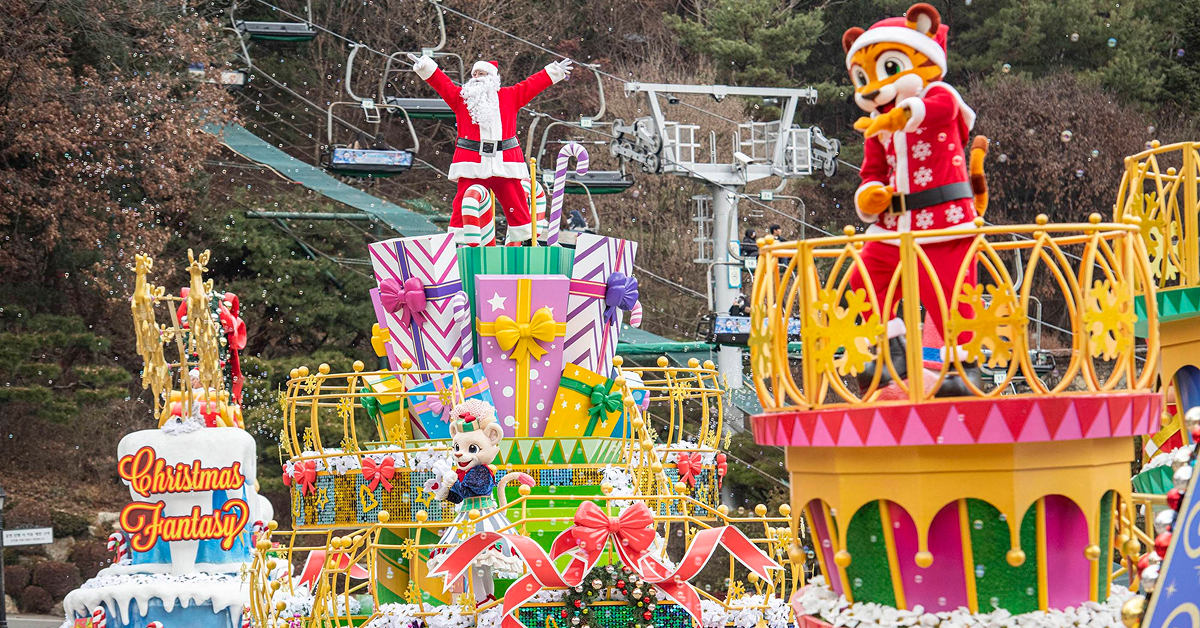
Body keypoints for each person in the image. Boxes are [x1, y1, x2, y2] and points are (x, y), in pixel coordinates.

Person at [842, 2, 990, 396]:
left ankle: (965, 367)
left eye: (888, 69)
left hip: (944, 219)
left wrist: (899, 115)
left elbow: (937, 111)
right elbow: (872, 172)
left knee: (949, 294)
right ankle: (890, 350)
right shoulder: (879, 126)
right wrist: (869, 196)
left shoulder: (939, 94)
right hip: (894, 226)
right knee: (862, 280)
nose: (872, 86)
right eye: (863, 77)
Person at [408, 53, 574, 245]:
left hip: (504, 162)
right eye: (475, 73)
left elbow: (532, 84)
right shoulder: (462, 99)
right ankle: (458, 240)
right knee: (463, 200)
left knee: (515, 199)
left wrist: (554, 71)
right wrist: (426, 66)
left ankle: (525, 238)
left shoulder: (509, 96)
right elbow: (442, 83)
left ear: (493, 78)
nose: (477, 77)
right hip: (473, 162)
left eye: (482, 73)